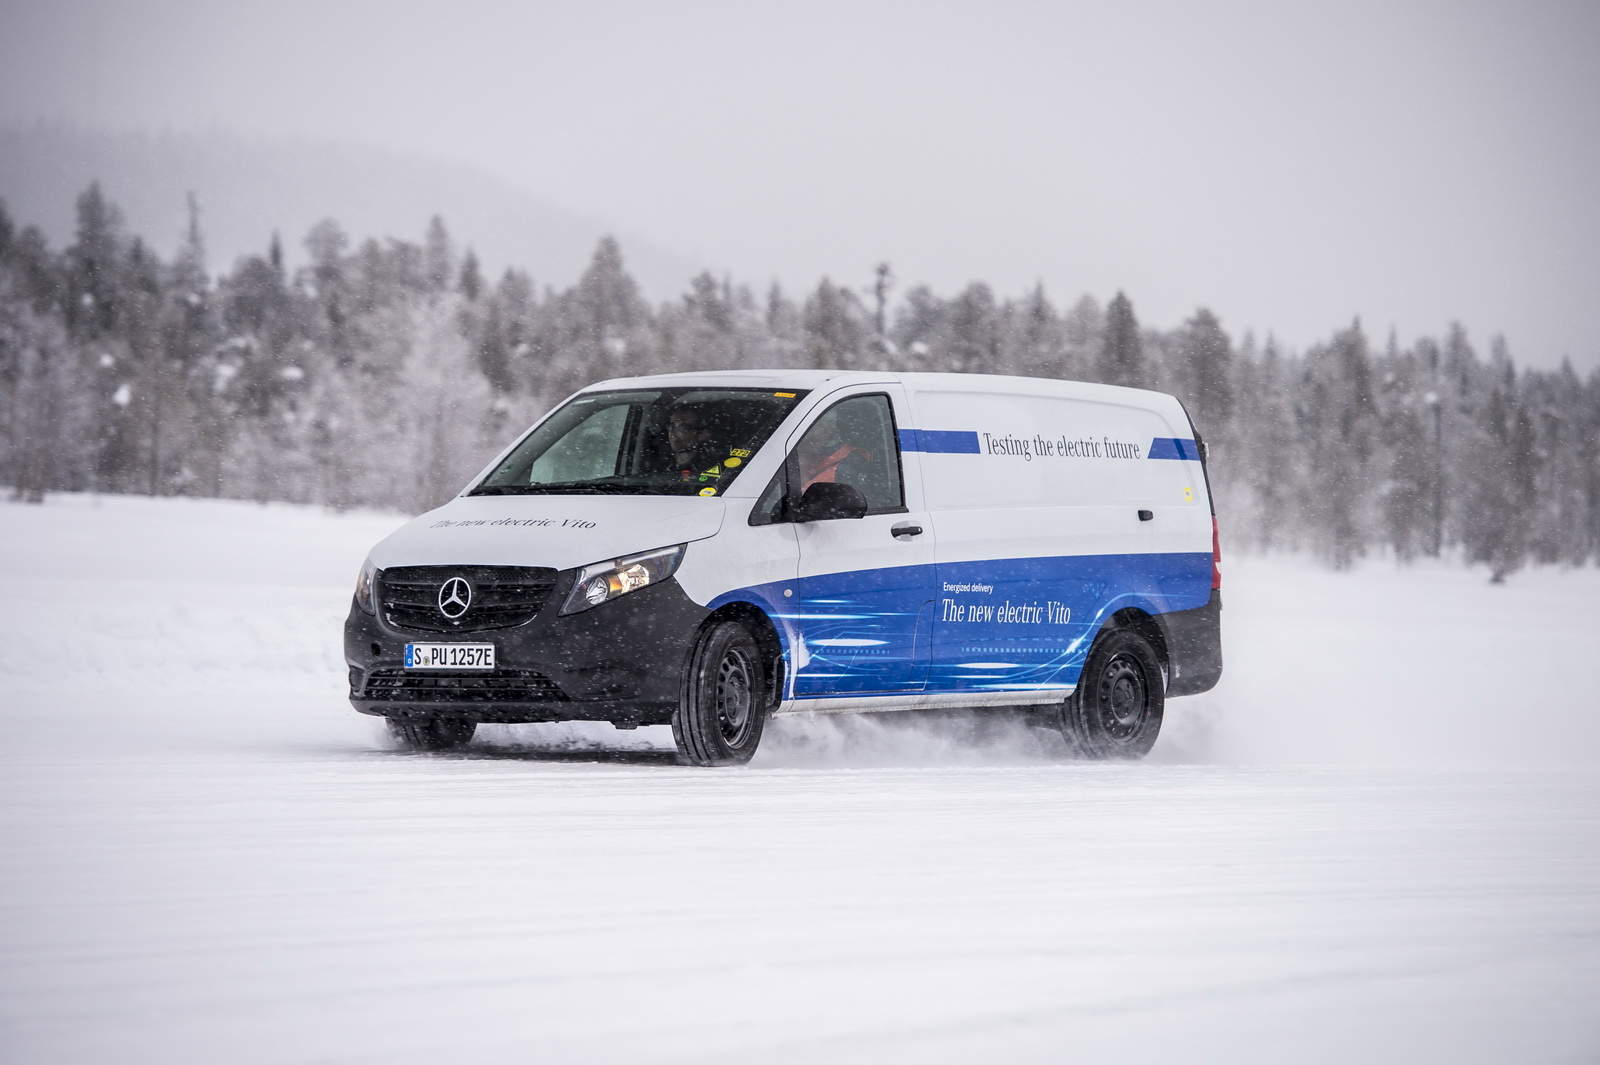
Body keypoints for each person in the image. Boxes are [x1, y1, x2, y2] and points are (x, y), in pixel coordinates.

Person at [666, 404, 726, 482]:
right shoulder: (659, 465)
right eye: (672, 426)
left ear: (701, 434)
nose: (673, 433)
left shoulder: (711, 470)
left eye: (684, 428)